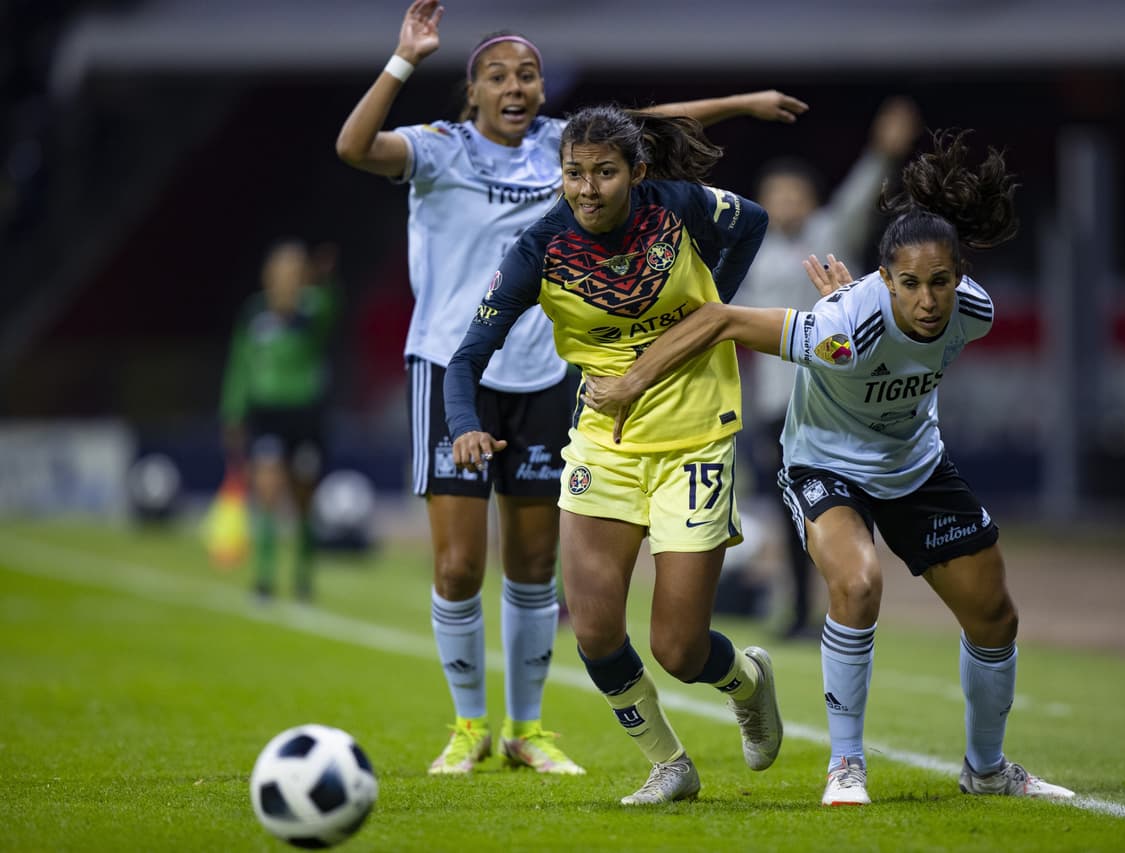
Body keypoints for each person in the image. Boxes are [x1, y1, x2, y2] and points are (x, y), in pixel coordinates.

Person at [334, 0, 806, 777]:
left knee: (539, 570)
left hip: (556, 374)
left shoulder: (574, 145)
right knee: (461, 569)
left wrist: (743, 105)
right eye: (497, 75)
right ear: (472, 91)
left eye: (528, 74)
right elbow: (353, 147)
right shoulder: (441, 148)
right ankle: (469, 725)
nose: (515, 86)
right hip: (461, 363)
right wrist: (403, 59)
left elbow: (652, 123)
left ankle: (527, 727)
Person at [581, 130, 1076, 806]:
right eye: (908, 284)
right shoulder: (842, 331)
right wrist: (632, 380)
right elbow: (722, 318)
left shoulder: (975, 314)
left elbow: (925, 321)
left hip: (915, 464)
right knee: (858, 582)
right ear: (886, 279)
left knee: (994, 615)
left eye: (939, 282)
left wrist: (876, 296)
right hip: (825, 462)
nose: (927, 300)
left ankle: (986, 768)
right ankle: (846, 765)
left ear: (959, 278)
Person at [444, 105, 783, 805]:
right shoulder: (540, 248)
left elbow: (751, 220)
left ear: (638, 172)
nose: (588, 188)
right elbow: (466, 358)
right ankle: (668, 763)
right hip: (604, 443)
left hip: (696, 435)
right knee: (595, 630)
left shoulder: (679, 208)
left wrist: (713, 305)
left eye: (604, 172)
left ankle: (746, 682)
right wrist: (463, 425)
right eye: (574, 173)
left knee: (678, 649)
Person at [735, 96, 922, 638]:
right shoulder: (755, 254)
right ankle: (799, 612)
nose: (786, 203)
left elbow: (862, 194)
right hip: (778, 405)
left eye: (794, 194)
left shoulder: (830, 235)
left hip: (840, 399)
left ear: (811, 200)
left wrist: (882, 153)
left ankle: (853, 596)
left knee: (847, 506)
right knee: (793, 514)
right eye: (776, 196)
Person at [221, 239, 339, 603]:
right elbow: (240, 362)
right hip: (267, 413)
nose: (287, 278)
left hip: (305, 414)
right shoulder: (254, 313)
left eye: (294, 271)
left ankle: (303, 578)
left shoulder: (313, 310)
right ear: (268, 275)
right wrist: (232, 410)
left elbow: (332, 312)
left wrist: (325, 282)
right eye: (281, 271)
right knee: (268, 491)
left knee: (303, 499)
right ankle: (265, 579)